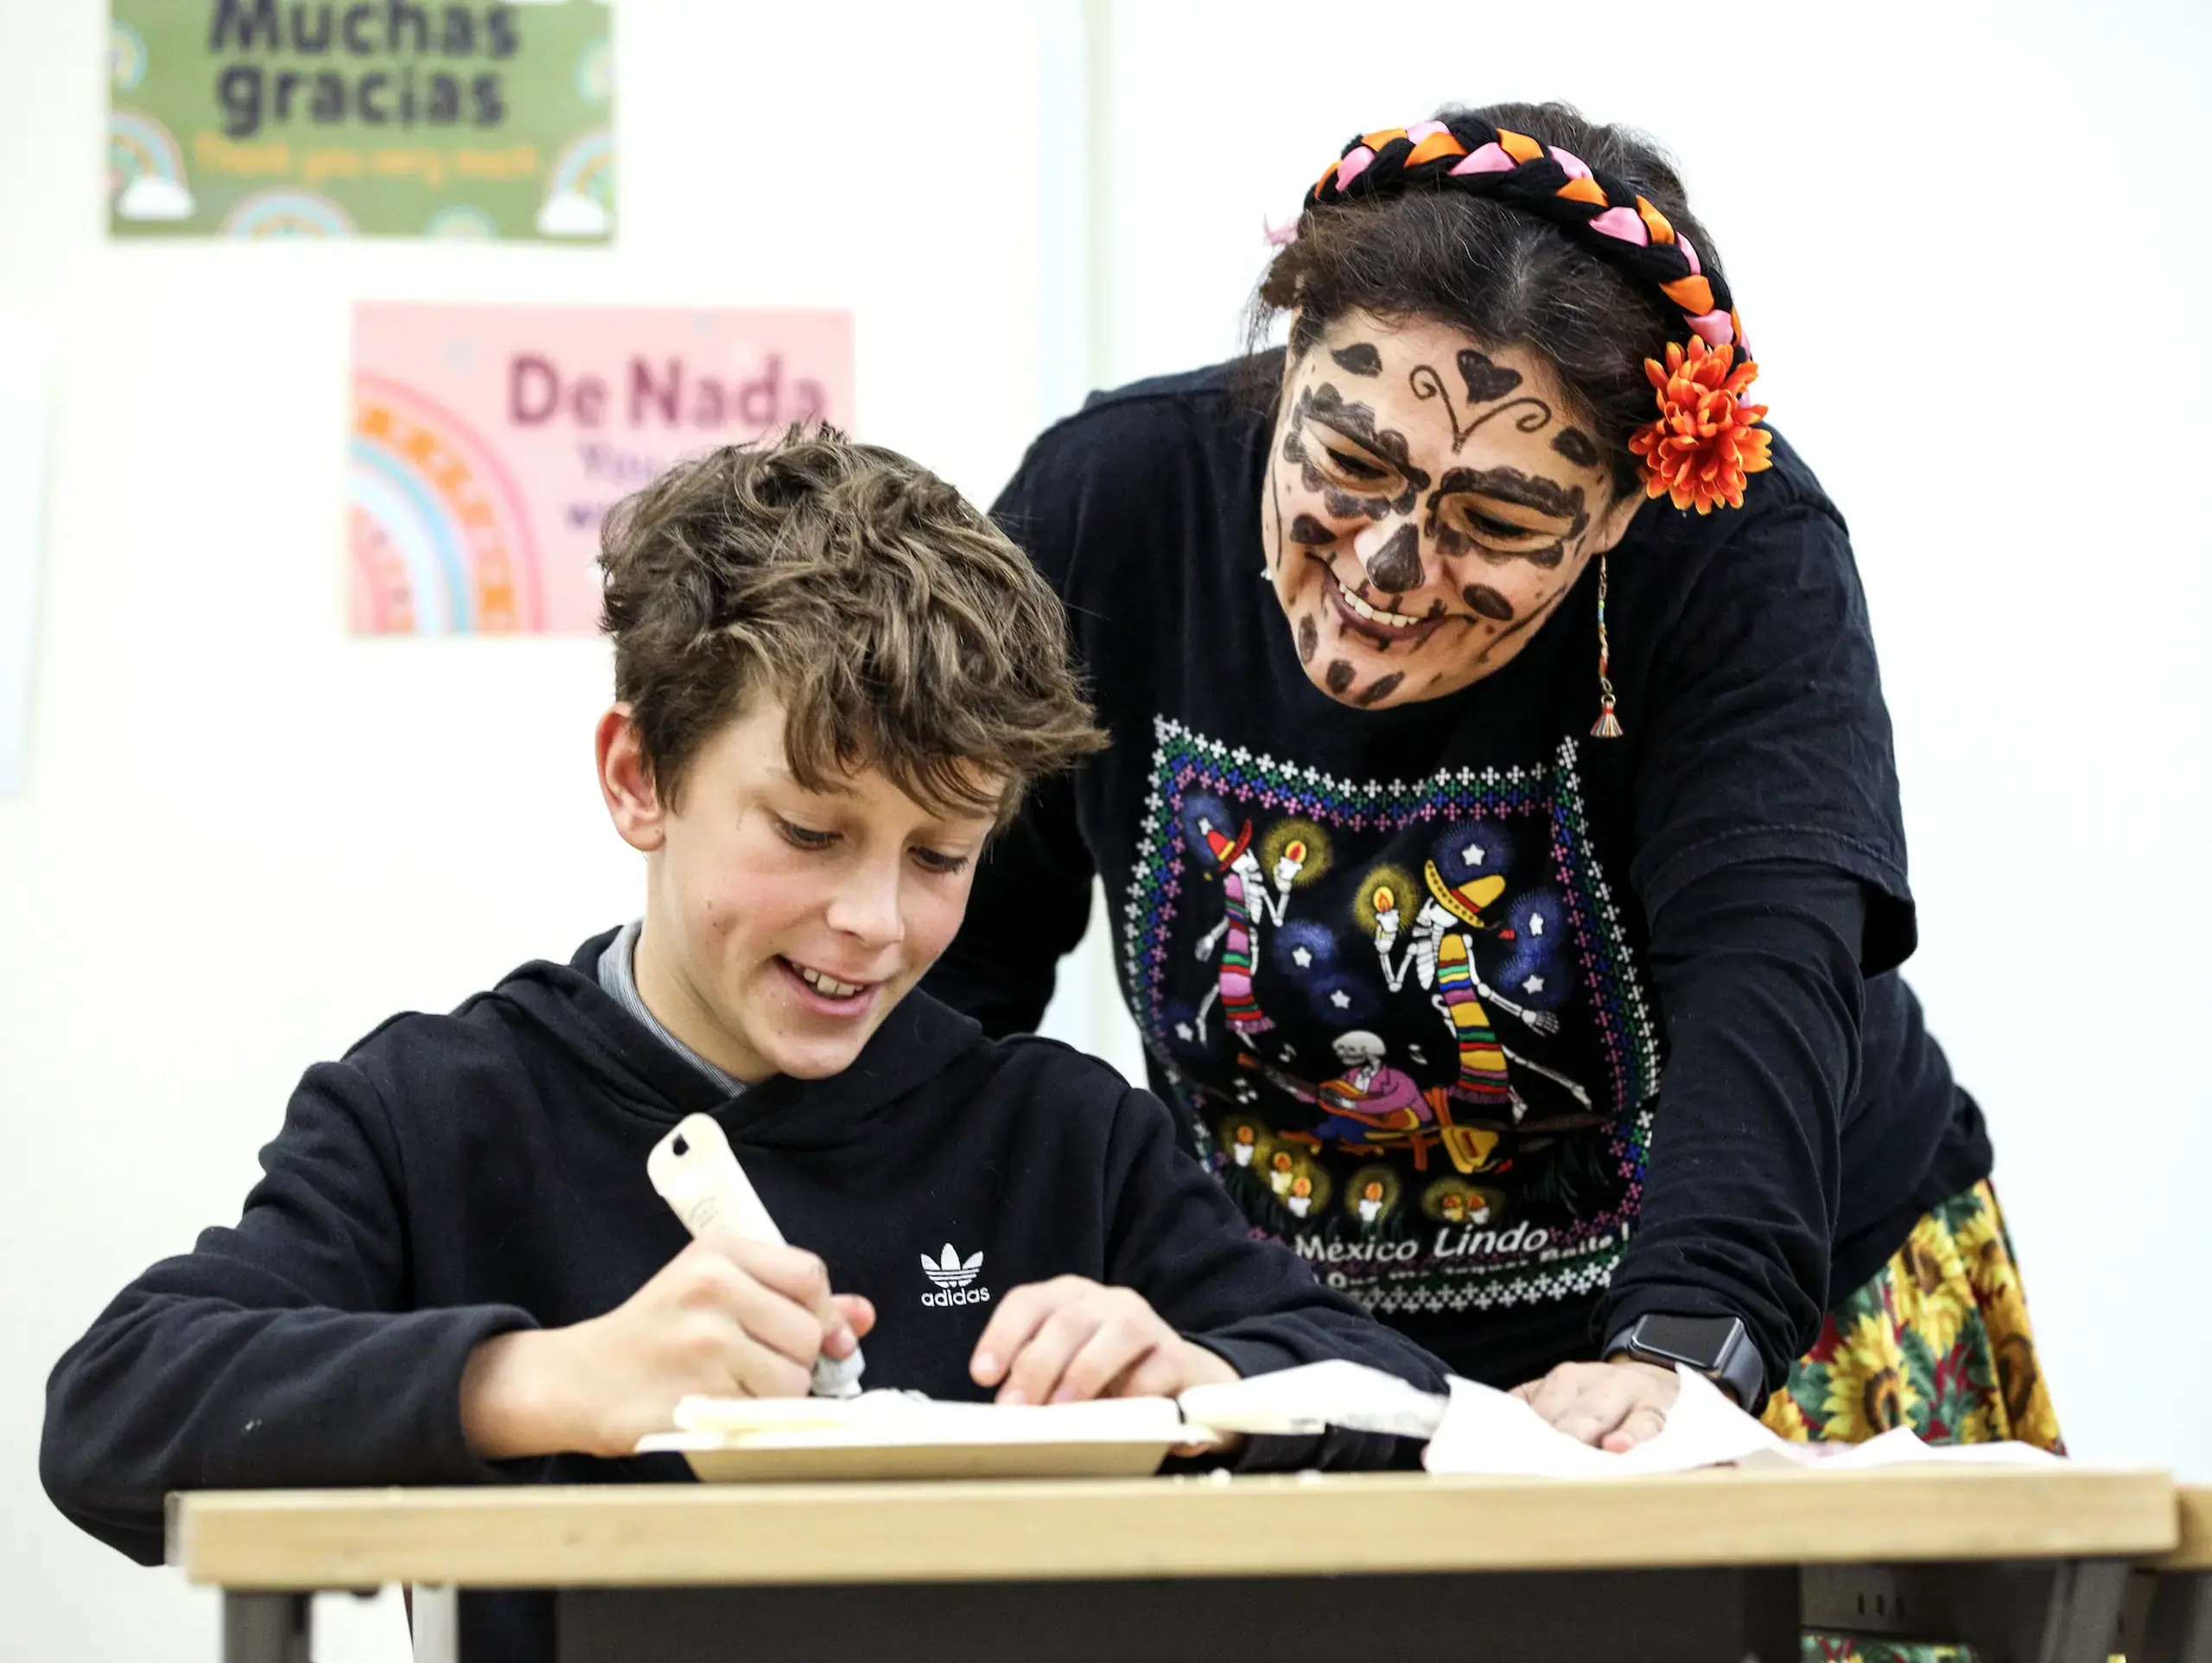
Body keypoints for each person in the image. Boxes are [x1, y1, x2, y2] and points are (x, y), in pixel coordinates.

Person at [41, 433, 1446, 1660]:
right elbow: (115, 1416)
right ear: (639, 777)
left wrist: (1198, 1376)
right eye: (808, 834)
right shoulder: (437, 1115)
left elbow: (1400, 1401)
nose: (872, 924)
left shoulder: (1059, 1135)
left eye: (940, 856)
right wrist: (545, 1381)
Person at [924, 102, 2064, 1468]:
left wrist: (1685, 1350)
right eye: (1349, 464)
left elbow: (1768, 974)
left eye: (1503, 521)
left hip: (1764, 1305)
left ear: (1627, 508)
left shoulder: (1738, 552)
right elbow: (951, 972)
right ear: (1291, 363)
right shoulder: (1108, 505)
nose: (1389, 567)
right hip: (1298, 1346)